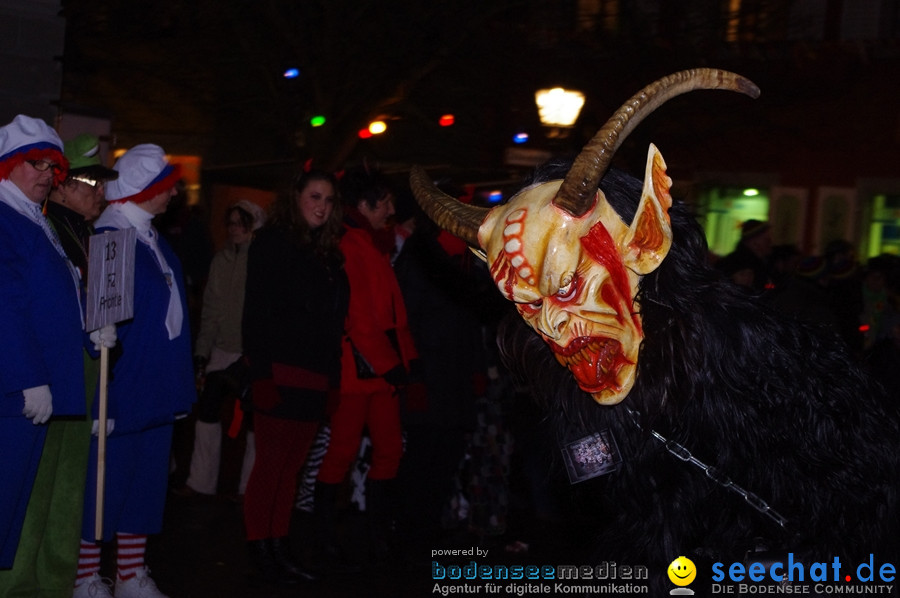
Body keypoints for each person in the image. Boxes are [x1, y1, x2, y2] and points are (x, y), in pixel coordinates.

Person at [73, 144, 195, 598]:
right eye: (166, 185)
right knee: (105, 485)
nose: (175, 193)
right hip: (125, 383)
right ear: (143, 189)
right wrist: (104, 391)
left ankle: (130, 573)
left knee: (144, 484)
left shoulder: (151, 237)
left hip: (156, 382)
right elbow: (99, 323)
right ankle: (86, 576)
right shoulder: (113, 236)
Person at [0, 116, 99, 595]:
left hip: (38, 381)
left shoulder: (31, 218)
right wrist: (28, 377)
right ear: (7, 167)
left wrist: (89, 327)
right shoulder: (5, 218)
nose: (44, 173)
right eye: (32, 163)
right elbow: (5, 302)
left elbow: (54, 291)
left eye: (51, 165)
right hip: (15, 389)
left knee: (16, 500)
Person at [241, 169, 348, 586]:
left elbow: (334, 327)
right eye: (315, 196)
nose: (322, 206)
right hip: (281, 373)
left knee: (291, 470)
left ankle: (279, 547)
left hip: (315, 378)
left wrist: (334, 382)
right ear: (296, 198)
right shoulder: (272, 243)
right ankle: (260, 549)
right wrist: (262, 373)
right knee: (270, 467)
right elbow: (256, 314)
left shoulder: (327, 255)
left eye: (328, 200)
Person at [314, 168, 421, 569]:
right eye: (386, 202)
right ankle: (328, 537)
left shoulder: (367, 243)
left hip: (377, 372)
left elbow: (390, 315)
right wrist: (396, 364)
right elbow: (360, 317)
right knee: (341, 454)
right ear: (364, 205)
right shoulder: (351, 244)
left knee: (388, 451)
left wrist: (405, 363)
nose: (392, 210)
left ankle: (377, 537)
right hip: (358, 373)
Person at [178, 200, 266, 499]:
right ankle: (201, 481)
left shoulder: (263, 260)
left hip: (252, 351)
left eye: (242, 223)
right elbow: (211, 310)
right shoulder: (220, 260)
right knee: (208, 410)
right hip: (222, 349)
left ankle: (250, 487)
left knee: (256, 419)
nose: (235, 229)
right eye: (231, 223)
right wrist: (202, 351)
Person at [715, 218, 773, 292]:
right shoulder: (740, 266)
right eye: (766, 240)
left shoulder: (760, 264)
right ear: (753, 241)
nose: (770, 243)